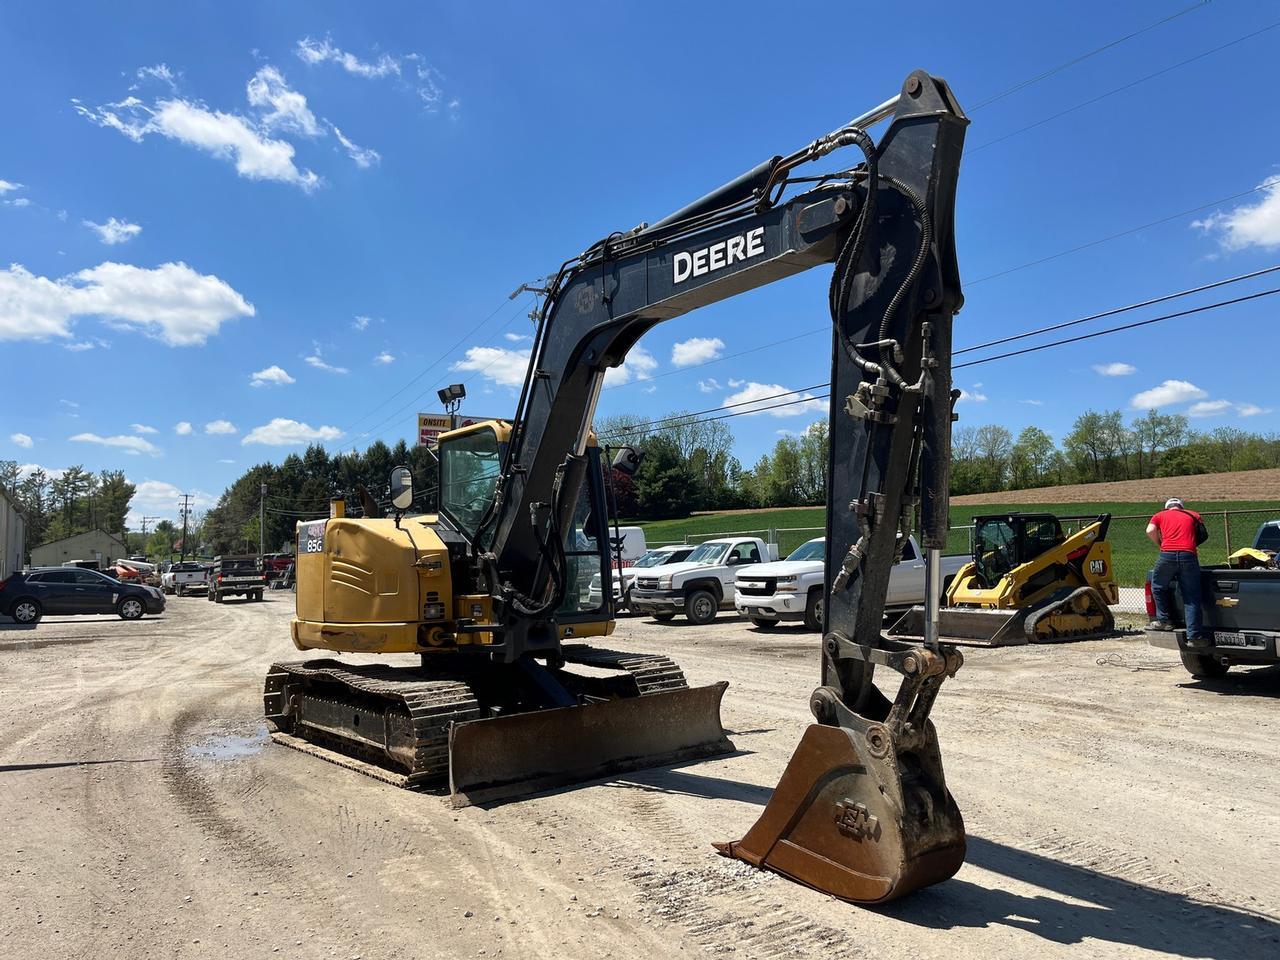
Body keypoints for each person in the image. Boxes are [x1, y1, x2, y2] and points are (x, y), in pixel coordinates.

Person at [1146, 497, 1206, 646]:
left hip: (1167, 555)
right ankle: (1194, 637)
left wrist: (1160, 543)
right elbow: (1203, 534)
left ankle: (1164, 620)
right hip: (1188, 555)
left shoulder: (1159, 515)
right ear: (1181, 507)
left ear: (1167, 507)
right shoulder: (1193, 515)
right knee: (1191, 597)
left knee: (1158, 586)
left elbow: (1150, 530)